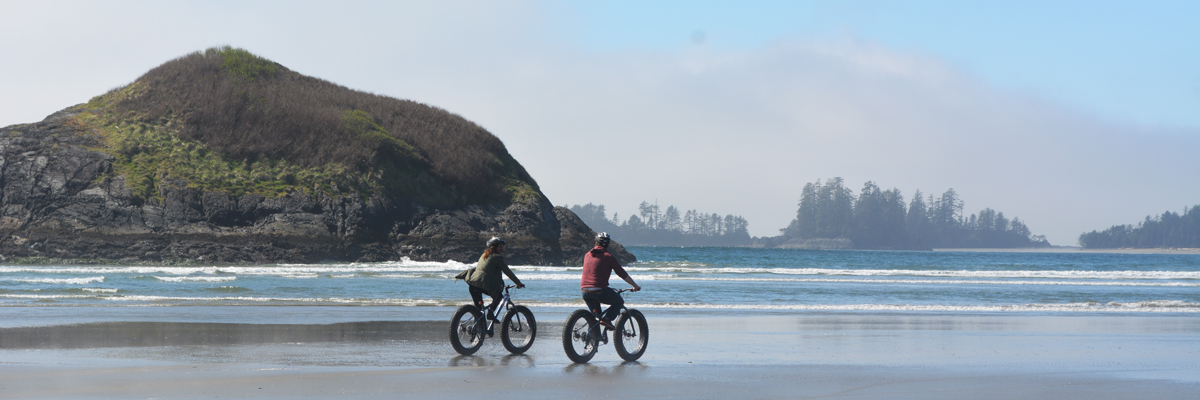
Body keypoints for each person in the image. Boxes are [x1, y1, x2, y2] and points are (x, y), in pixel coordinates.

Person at [461, 237, 524, 334]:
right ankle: (490, 313)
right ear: (493, 247)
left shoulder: (483, 256)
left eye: (502, 247)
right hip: (482, 284)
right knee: (498, 296)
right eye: (499, 246)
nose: (501, 249)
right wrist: (518, 283)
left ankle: (477, 331)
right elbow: (507, 271)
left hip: (473, 284)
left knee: (479, 311)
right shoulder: (497, 258)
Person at [580, 232, 640, 330]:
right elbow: (622, 273)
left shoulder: (587, 255)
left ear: (596, 243)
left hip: (585, 291)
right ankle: (607, 319)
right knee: (619, 301)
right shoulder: (608, 257)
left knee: (596, 318)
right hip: (599, 291)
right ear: (608, 244)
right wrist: (635, 286)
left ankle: (593, 338)